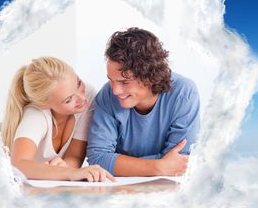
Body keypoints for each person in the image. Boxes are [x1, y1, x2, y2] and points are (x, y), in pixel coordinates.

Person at [86, 27, 201, 177]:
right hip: (119, 190)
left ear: (150, 76)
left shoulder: (183, 92)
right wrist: (158, 167)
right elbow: (97, 158)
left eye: (124, 82)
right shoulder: (106, 95)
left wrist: (117, 162)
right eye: (111, 80)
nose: (115, 91)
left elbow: (179, 162)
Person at [1, 56, 114, 182]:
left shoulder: (88, 96)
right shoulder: (37, 114)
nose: (81, 98)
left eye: (78, 83)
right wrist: (68, 172)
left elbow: (75, 156)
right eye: (68, 100)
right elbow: (18, 165)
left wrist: (66, 168)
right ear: (45, 105)